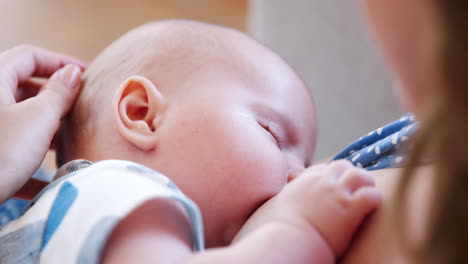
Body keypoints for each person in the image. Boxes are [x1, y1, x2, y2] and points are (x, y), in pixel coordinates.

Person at [0, 20, 381, 263]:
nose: (299, 176)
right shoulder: (120, 190)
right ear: (142, 114)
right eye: (272, 134)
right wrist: (299, 228)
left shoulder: (64, 212)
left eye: (307, 161)